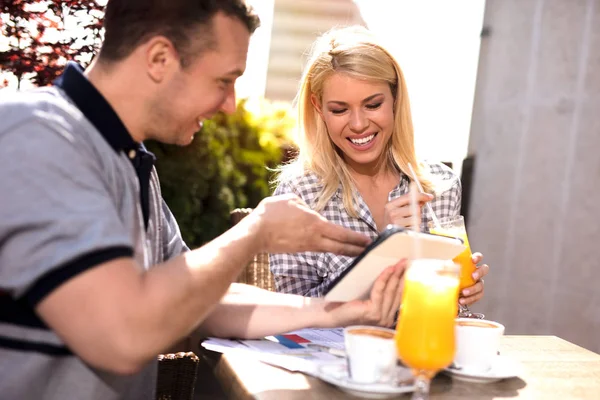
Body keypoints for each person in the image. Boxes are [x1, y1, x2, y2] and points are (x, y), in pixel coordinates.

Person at [0, 3, 407, 399]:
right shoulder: (38, 136)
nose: (230, 104)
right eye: (223, 81)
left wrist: (345, 308)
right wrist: (255, 231)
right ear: (159, 58)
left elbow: (203, 301)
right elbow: (122, 337)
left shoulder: (130, 162)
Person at [270, 26, 489, 300]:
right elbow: (292, 313)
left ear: (395, 99)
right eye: (339, 110)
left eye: (372, 105)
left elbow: (433, 303)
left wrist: (456, 291)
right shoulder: (299, 194)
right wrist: (383, 252)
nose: (359, 124)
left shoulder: (439, 187)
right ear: (318, 107)